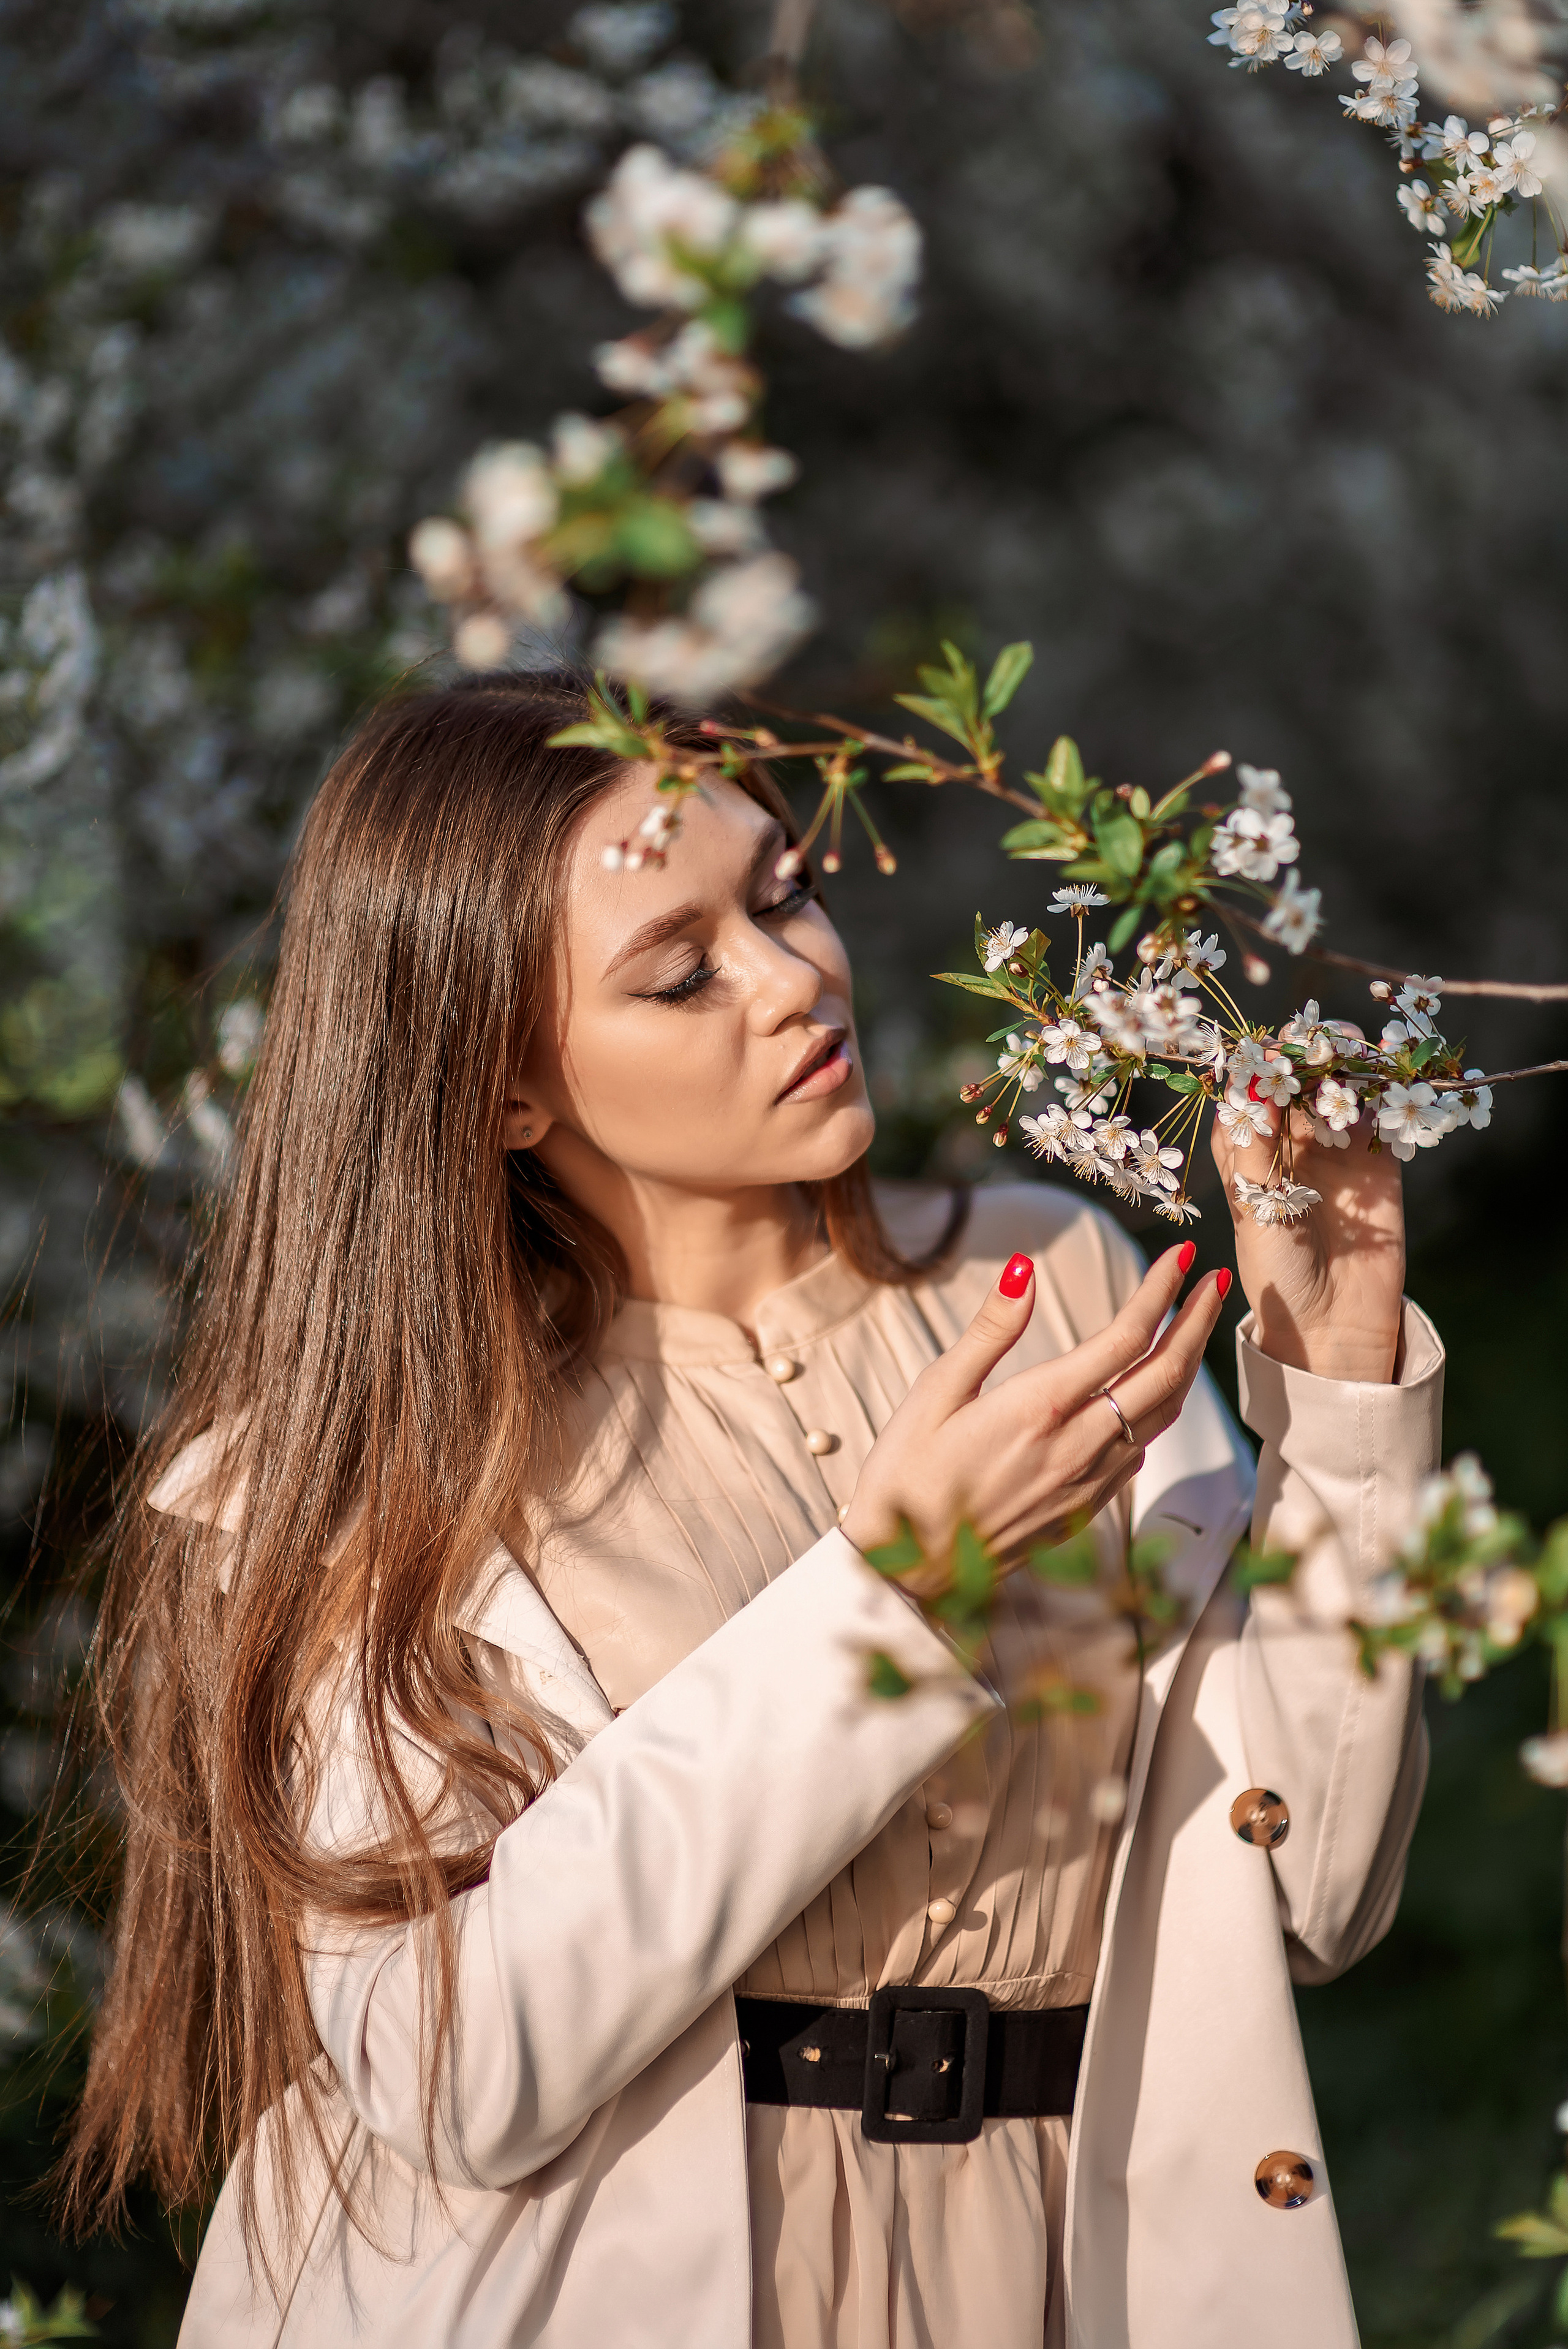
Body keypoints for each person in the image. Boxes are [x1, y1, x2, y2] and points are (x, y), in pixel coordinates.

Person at [61, 672, 1441, 2348]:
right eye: (680, 972)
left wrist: (1345, 1381)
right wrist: (898, 1583)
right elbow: (461, 2064)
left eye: (785, 893)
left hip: (1070, 2276)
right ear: (500, 1086)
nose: (793, 980)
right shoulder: (366, 1462)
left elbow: (1314, 1888)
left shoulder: (1052, 1278)